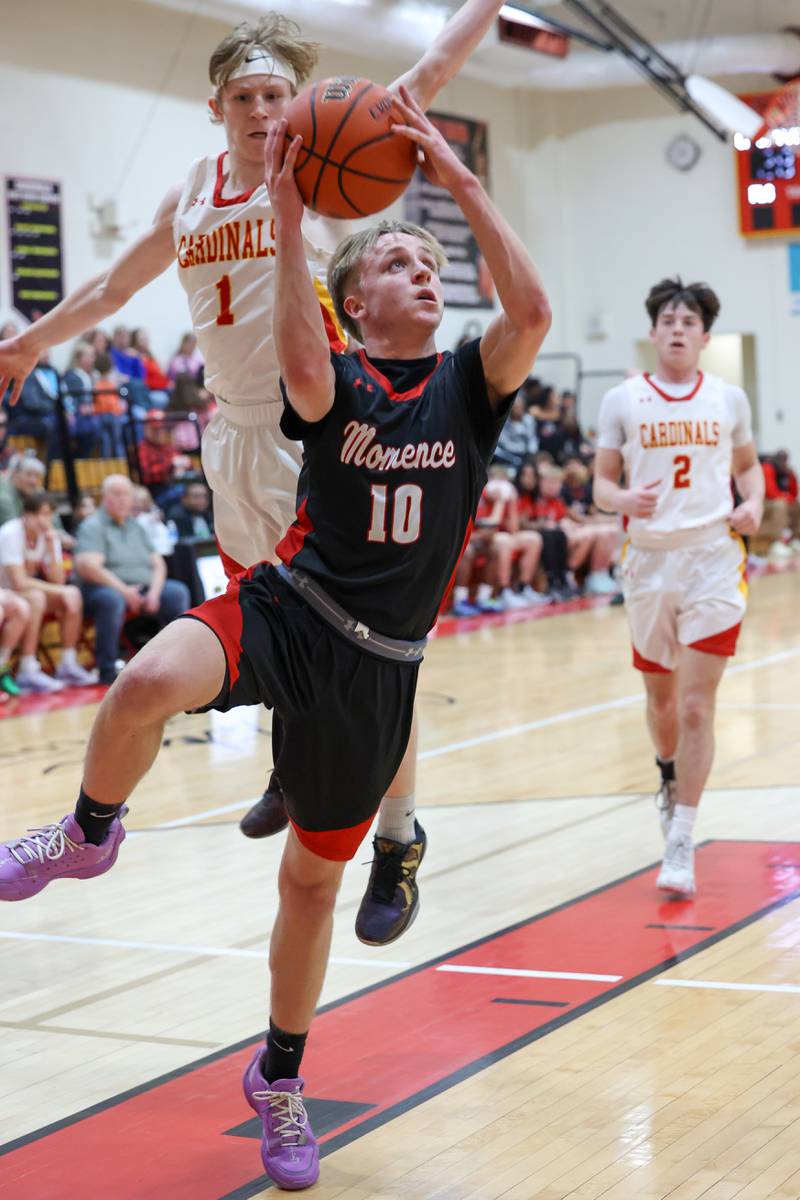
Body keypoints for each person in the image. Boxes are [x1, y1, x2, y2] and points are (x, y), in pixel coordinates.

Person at [0, 90, 550, 1190]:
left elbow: (528, 309)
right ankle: (89, 831)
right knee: (143, 679)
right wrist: (291, 213)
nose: (420, 270)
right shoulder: (333, 376)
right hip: (290, 608)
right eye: (394, 261)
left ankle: (279, 1077)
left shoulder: (467, 385)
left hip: (378, 669)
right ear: (355, 301)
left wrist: (459, 184)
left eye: (426, 261)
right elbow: (299, 350)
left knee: (308, 890)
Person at [0, 3, 508, 944]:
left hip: (315, 437)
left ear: (298, 102)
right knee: (269, 623)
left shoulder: (317, 169)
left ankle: (398, 836)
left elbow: (423, 78)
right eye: (245, 96)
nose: (264, 110)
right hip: (231, 440)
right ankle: (282, 760)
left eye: (277, 94)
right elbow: (112, 287)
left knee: (368, 649)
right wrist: (31, 341)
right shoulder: (191, 193)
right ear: (217, 107)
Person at [593, 276, 764, 897]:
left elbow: (749, 469)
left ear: (704, 337)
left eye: (688, 322)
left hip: (712, 557)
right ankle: (668, 776)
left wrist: (753, 504)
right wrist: (622, 499)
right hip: (649, 561)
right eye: (668, 320)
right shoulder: (621, 400)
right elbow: (600, 486)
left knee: (695, 705)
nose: (677, 329)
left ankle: (682, 838)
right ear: (652, 332)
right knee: (662, 702)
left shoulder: (728, 399)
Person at [74, 475, 191, 683]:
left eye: (126, 494)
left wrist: (154, 593)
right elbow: (88, 567)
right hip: (102, 590)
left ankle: (175, 659)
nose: (122, 499)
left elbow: (158, 564)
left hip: (142, 587)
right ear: (104, 497)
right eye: (116, 494)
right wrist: (125, 591)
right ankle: (107, 668)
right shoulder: (93, 526)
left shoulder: (136, 526)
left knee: (176, 592)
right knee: (111, 600)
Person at [0, 491, 97, 688]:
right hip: (6, 590)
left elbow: (58, 580)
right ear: (26, 515)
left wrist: (53, 548)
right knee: (37, 597)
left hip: (24, 591)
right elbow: (19, 582)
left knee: (72, 594)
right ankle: (28, 668)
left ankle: (68, 664)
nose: (43, 520)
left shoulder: (49, 535)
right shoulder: (10, 533)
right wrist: (60, 591)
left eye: (48, 515)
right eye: (39, 514)